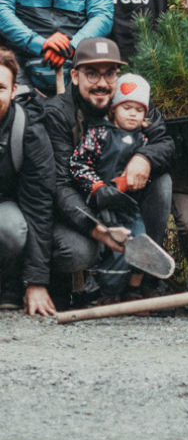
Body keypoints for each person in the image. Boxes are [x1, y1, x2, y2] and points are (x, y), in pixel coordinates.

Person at [45, 37, 175, 294]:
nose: (102, 84)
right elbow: (60, 185)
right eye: (92, 74)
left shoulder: (131, 99)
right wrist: (97, 227)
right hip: (80, 203)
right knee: (78, 253)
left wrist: (144, 157)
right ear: (75, 75)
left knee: (163, 182)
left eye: (110, 74)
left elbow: (166, 143)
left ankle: (144, 277)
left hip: (125, 195)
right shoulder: (58, 114)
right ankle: (79, 283)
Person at [68, 75, 153, 299]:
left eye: (139, 109)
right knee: (109, 245)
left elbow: (146, 174)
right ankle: (105, 291)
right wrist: (97, 187)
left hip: (128, 204)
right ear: (114, 109)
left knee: (139, 241)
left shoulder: (142, 142)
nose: (133, 114)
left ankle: (133, 290)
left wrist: (128, 183)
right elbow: (78, 164)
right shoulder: (98, 134)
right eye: (127, 107)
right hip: (100, 202)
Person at [0, 48, 58, 316]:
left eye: (0, 87)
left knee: (12, 229)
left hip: (6, 207)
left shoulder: (29, 130)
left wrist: (36, 282)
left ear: (13, 91)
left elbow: (39, 205)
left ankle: (10, 284)